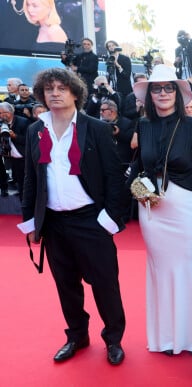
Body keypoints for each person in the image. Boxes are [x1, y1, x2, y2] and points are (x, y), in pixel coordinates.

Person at [17, 67, 127, 365]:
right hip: (54, 223)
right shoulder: (34, 130)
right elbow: (31, 178)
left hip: (91, 220)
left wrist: (110, 219)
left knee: (105, 284)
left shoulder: (97, 128)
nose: (54, 93)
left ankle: (113, 339)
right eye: (49, 89)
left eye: (61, 88)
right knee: (66, 285)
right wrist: (32, 223)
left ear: (75, 93)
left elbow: (114, 177)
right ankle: (77, 336)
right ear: (42, 94)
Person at [130, 64, 192, 355]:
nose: (162, 93)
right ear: (149, 94)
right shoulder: (143, 126)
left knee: (187, 269)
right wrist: (137, 188)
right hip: (152, 211)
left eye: (168, 88)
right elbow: (141, 165)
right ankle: (165, 337)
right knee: (160, 271)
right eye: (156, 88)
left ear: (177, 94)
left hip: (186, 209)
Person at [0, 102, 29, 200]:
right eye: (0, 113)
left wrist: (15, 136)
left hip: (24, 158)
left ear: (12, 112)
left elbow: (29, 140)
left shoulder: (23, 122)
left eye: (5, 112)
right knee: (18, 182)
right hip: (10, 158)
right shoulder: (1, 123)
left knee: (26, 183)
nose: (3, 115)